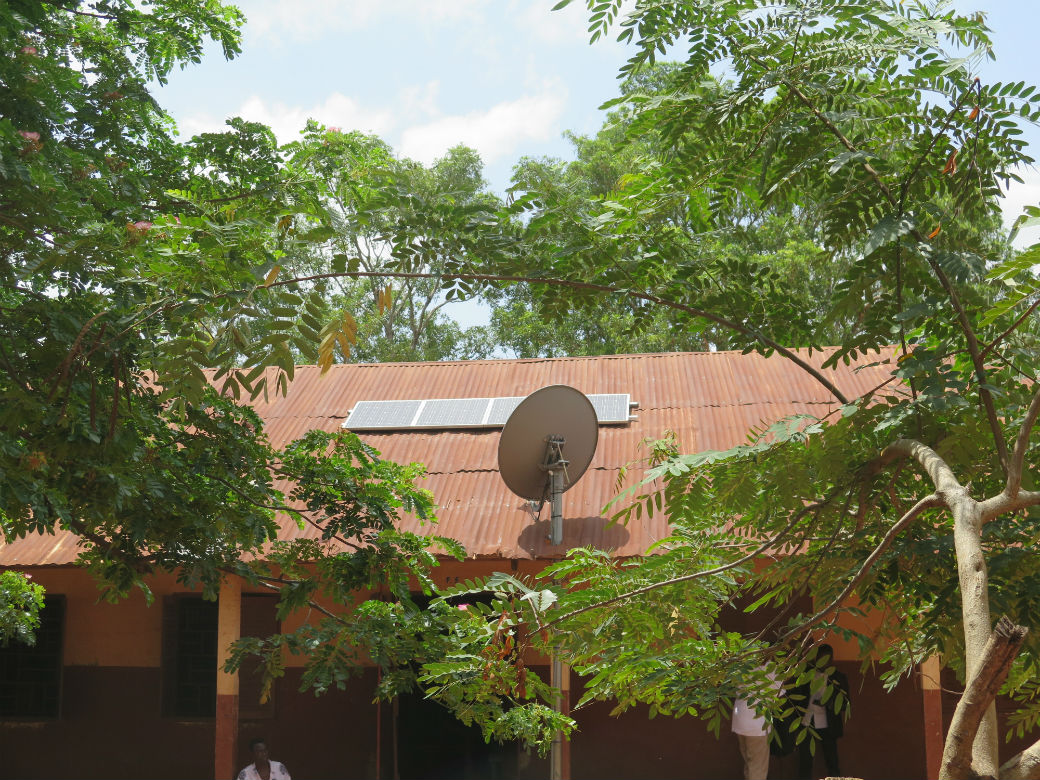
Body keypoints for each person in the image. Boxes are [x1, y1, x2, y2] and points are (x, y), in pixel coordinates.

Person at [796, 644, 849, 780]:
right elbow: (798, 697)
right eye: (820, 658)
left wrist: (829, 703)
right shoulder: (807, 675)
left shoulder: (839, 678)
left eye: (827, 659)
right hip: (808, 723)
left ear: (832, 659)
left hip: (829, 725)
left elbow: (845, 704)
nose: (824, 662)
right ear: (816, 658)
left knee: (832, 760)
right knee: (805, 761)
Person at [732, 669, 782, 780]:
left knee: (749, 763)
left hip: (740, 718)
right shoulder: (770, 667)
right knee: (757, 767)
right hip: (758, 722)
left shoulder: (743, 662)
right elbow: (779, 694)